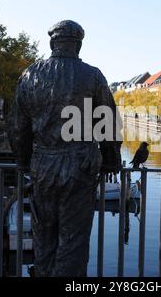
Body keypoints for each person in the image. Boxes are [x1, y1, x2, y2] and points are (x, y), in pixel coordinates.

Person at [13, 20, 122, 277]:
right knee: (73, 238)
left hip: (43, 166)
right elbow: (107, 123)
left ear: (53, 43)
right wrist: (111, 161)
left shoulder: (30, 74)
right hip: (79, 167)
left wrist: (23, 163)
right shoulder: (93, 75)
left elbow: (18, 127)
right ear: (79, 45)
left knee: (44, 233)